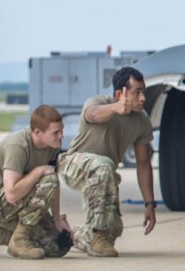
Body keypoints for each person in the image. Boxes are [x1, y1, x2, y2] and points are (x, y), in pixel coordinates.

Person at [58, 66, 156, 257]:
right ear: (121, 93)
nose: (143, 98)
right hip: (73, 165)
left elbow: (143, 163)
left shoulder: (142, 120)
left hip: (104, 175)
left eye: (143, 91)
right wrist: (115, 108)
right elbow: (92, 114)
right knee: (103, 165)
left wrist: (149, 204)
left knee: (113, 230)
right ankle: (98, 235)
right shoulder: (98, 102)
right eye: (137, 93)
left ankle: (72, 234)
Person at [0, 104, 72, 259]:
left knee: (59, 246)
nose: (61, 136)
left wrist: (57, 220)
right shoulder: (18, 145)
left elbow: (54, 184)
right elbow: (11, 194)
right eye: (56, 132)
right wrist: (38, 171)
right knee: (47, 178)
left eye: (61, 131)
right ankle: (19, 239)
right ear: (37, 132)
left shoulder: (52, 146)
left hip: (21, 199)